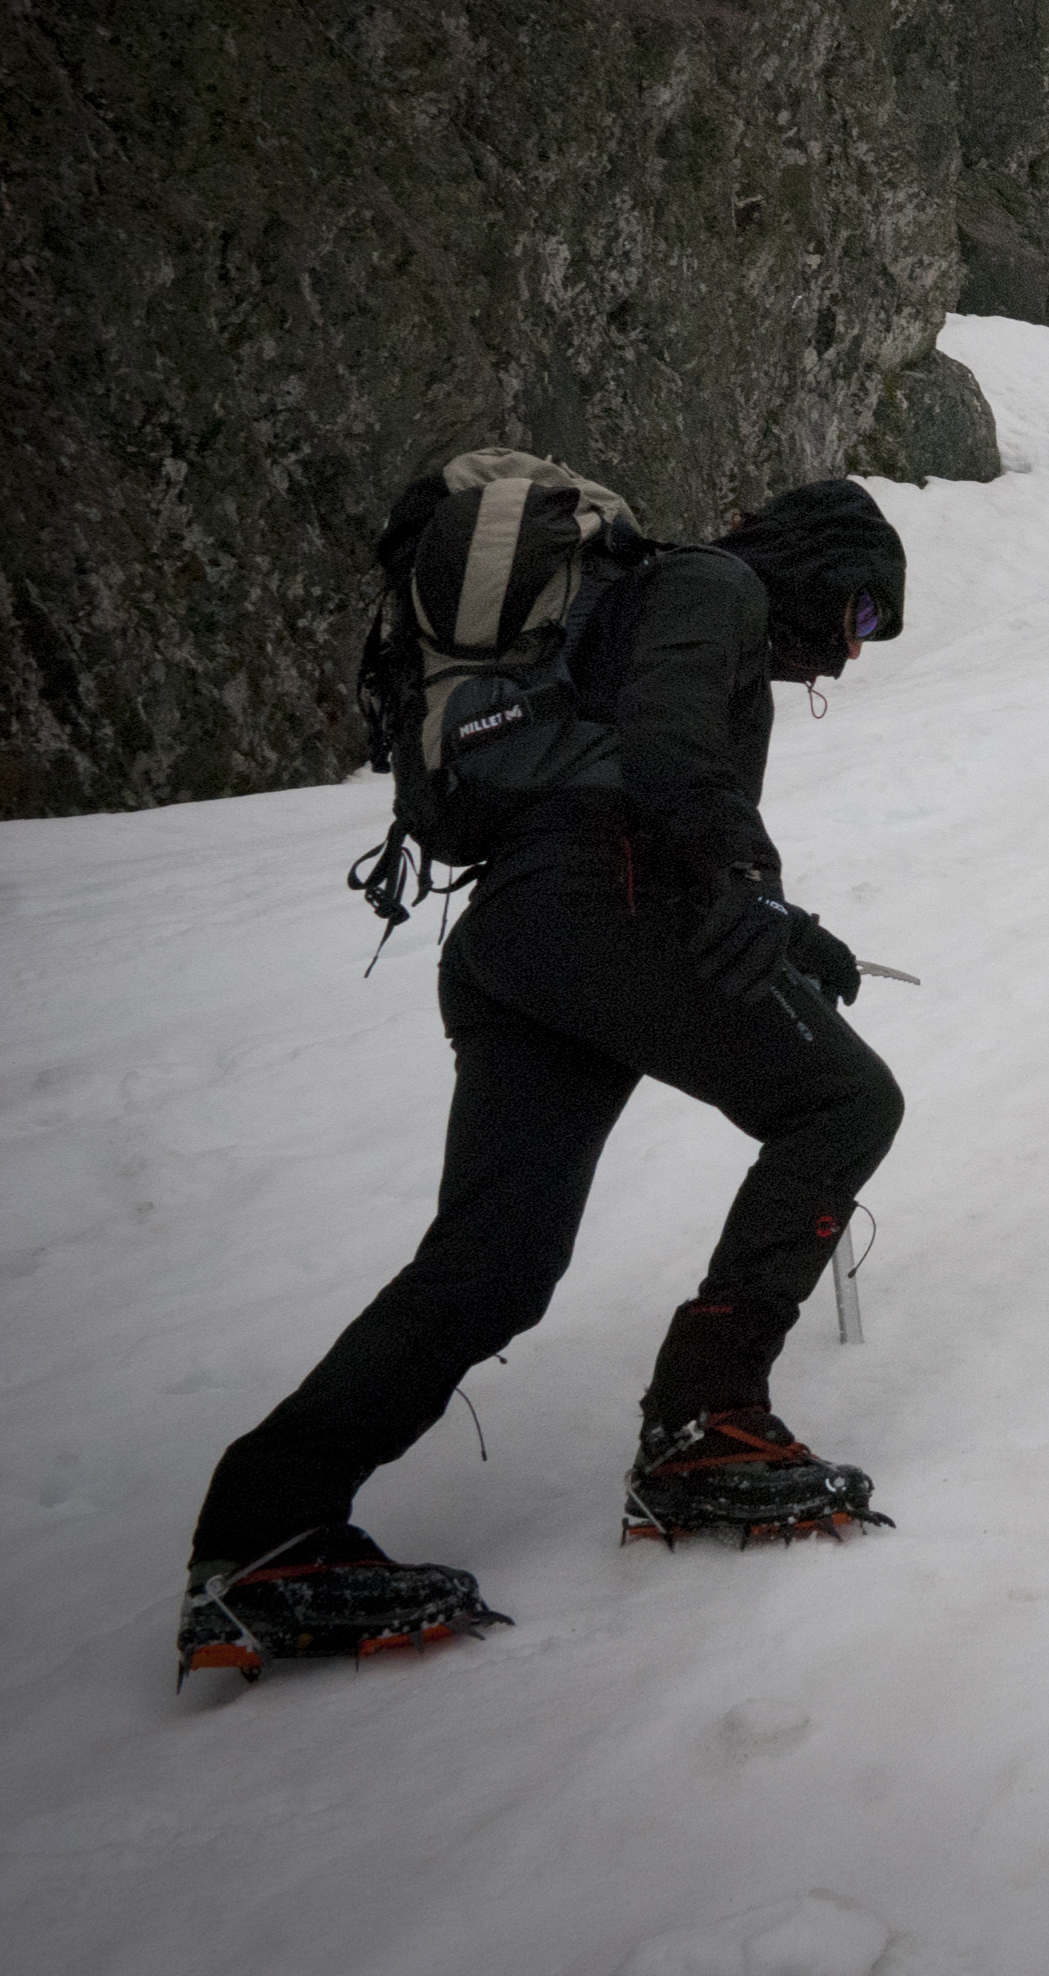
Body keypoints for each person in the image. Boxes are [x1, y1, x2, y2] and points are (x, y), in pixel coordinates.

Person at [179, 477, 914, 1680]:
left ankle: (264, 1528)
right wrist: (740, 871)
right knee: (844, 1101)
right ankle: (704, 1423)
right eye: (867, 617)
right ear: (829, 572)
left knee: (496, 1263)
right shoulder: (715, 584)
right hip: (601, 904)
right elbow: (673, 745)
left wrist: (787, 921)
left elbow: (623, 768)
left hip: (518, 944)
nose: (853, 650)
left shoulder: (645, 604)